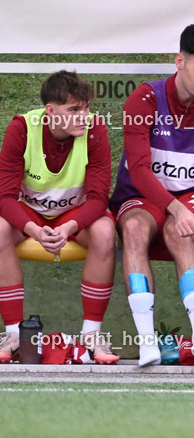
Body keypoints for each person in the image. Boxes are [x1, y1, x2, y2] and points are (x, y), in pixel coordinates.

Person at [111, 24, 194, 367]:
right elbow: (138, 169)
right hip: (141, 194)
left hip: (189, 197)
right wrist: (175, 207)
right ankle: (147, 342)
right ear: (179, 60)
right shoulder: (144, 99)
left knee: (180, 231)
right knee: (135, 229)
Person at [0, 71, 118, 364]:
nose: (84, 116)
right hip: (31, 214)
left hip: (74, 214)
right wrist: (35, 230)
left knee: (104, 230)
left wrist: (68, 226)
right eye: (74, 110)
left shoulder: (95, 129)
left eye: (87, 107)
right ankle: (14, 335)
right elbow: (4, 198)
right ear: (50, 111)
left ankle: (91, 336)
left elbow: (98, 198)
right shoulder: (22, 128)